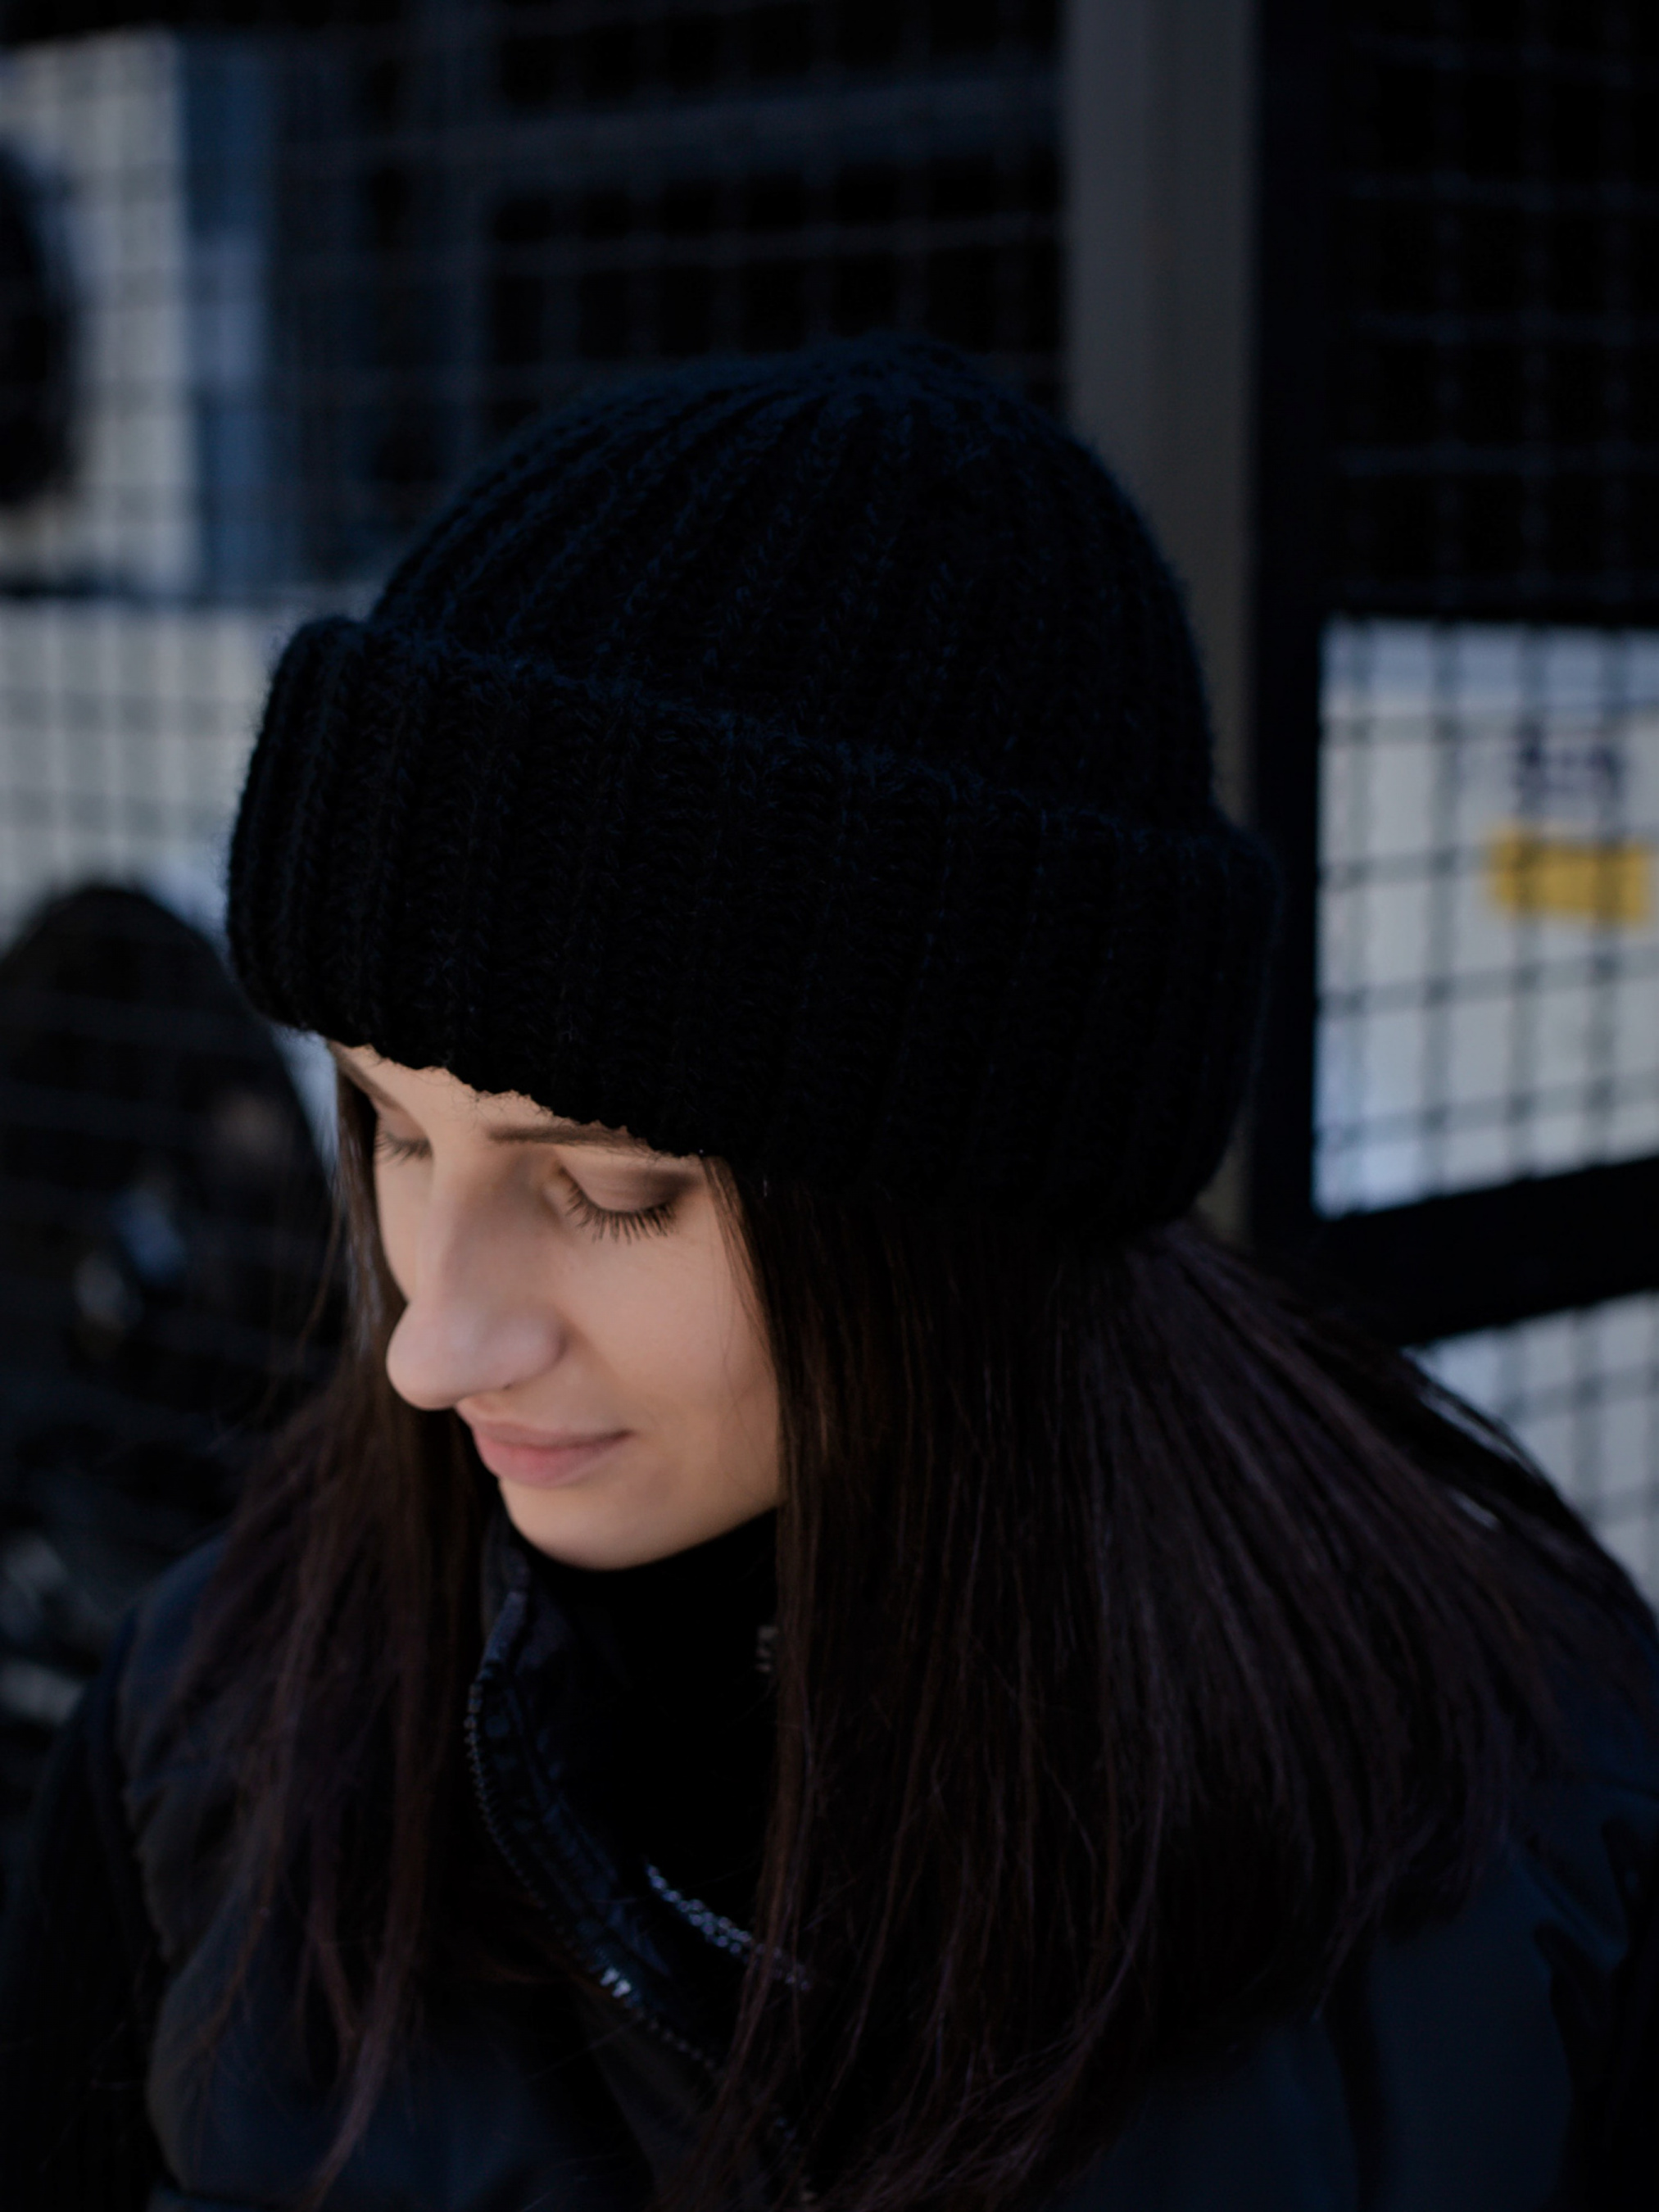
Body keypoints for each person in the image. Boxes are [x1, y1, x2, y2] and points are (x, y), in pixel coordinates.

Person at [2, 337, 1657, 2212]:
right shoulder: (210, 1746)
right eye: (390, 1130)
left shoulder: (1522, 1843)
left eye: (610, 1189)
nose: (430, 1345)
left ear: (963, 1214)